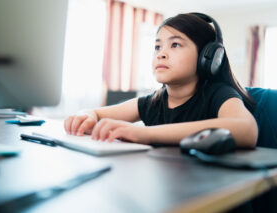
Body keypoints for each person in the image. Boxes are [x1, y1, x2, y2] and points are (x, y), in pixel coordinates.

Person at [64, 12, 258, 148]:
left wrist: (145, 134)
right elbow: (95, 113)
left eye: (175, 44)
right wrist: (87, 116)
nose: (161, 54)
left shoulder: (219, 94)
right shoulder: (153, 102)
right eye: (157, 47)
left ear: (208, 57)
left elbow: (247, 130)